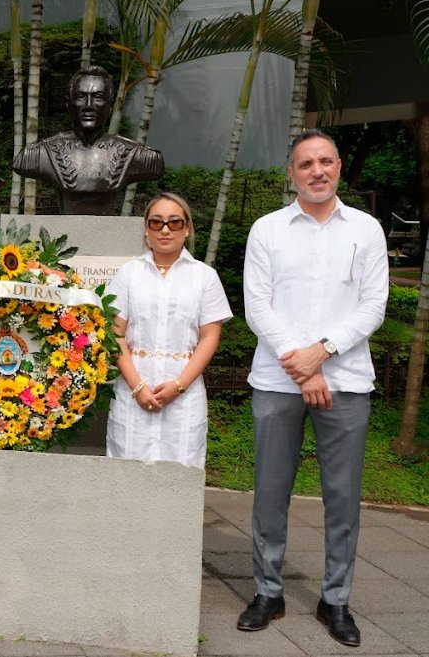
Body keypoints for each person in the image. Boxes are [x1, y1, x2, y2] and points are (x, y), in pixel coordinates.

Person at [237, 130, 388, 647]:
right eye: (306, 163)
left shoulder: (366, 231)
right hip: (278, 380)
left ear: (339, 167)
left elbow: (373, 306)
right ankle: (267, 591)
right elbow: (257, 305)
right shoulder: (268, 230)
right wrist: (302, 366)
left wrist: (320, 353)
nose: (317, 171)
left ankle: (336, 600)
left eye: (325, 161)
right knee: (270, 491)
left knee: (342, 496)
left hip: (346, 381)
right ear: (291, 172)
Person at [106, 192, 231, 467]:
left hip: (183, 390)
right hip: (134, 385)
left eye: (174, 222)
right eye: (156, 222)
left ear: (186, 228)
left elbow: (210, 337)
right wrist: (138, 386)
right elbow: (115, 334)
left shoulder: (204, 277)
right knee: (127, 472)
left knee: (180, 471)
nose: (165, 230)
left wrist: (179, 385)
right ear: (147, 230)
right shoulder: (129, 274)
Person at [12, 65, 164, 215]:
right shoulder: (35, 155)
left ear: (110, 104)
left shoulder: (142, 156)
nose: (89, 106)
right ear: (68, 103)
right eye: (80, 97)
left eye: (98, 98)